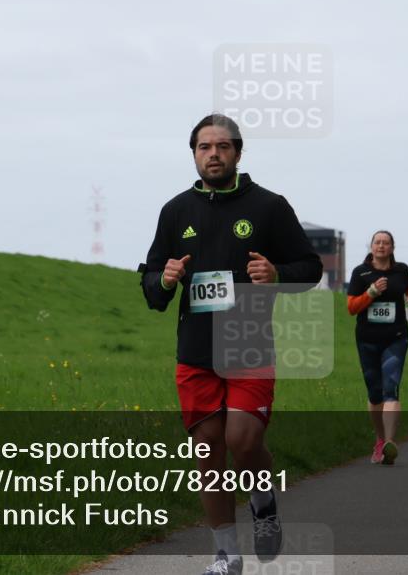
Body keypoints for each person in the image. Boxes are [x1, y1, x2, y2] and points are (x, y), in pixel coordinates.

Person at [140, 114, 323, 575]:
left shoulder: (269, 206)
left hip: (249, 342)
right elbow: (152, 289)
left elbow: (310, 266)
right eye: (204, 147)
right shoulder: (175, 210)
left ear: (238, 153)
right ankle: (226, 554)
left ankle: (262, 501)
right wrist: (163, 279)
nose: (213, 154)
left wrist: (278, 275)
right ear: (195, 154)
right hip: (196, 348)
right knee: (208, 450)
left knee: (243, 439)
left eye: (222, 146)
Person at [347, 231, 408, 465]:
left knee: (391, 387)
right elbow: (351, 307)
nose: (381, 246)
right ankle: (379, 439)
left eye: (385, 243)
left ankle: (390, 442)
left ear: (392, 247)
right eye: (377, 242)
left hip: (395, 337)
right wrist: (371, 292)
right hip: (367, 339)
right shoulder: (361, 272)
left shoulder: (402, 270)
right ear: (371, 246)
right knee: (375, 393)